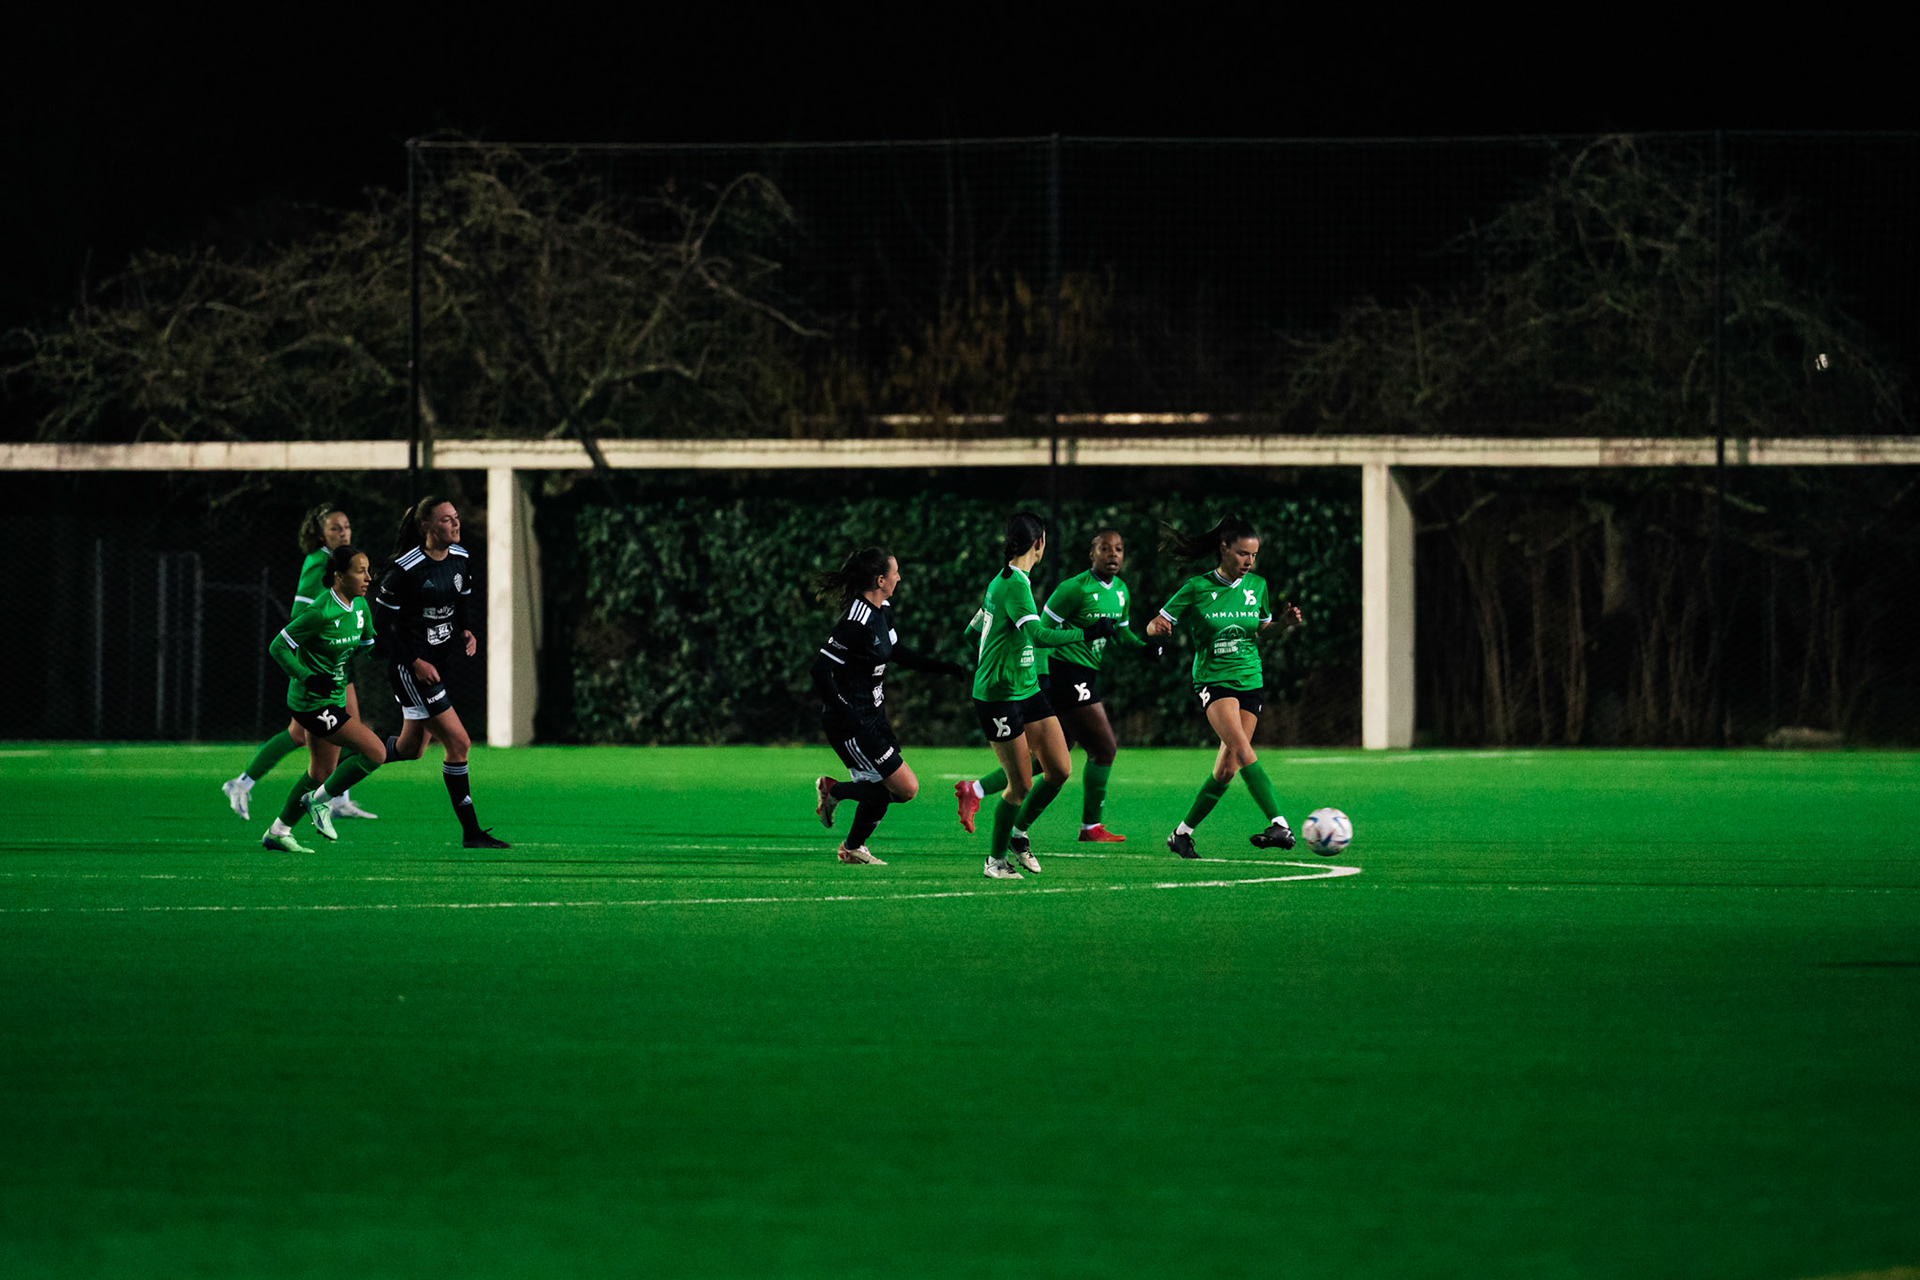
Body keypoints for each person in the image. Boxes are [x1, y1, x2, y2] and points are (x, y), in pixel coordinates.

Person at [954, 528, 1155, 842]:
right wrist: (1042, 677)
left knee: (1053, 761)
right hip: (1062, 674)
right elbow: (1042, 635)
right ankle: (1083, 828)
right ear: (1092, 554)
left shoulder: (1120, 591)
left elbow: (1118, 632)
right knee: (1103, 749)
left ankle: (979, 792)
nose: (1113, 554)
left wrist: (1145, 647)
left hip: (1072, 677)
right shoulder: (1070, 589)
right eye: (1105, 548)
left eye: (1118, 548)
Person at [1146, 515, 1304, 859]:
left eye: (1254, 555)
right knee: (1243, 747)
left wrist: (1284, 624)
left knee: (1227, 768)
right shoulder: (1196, 587)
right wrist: (1158, 628)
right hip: (1213, 680)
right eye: (1242, 554)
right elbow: (1154, 623)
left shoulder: (1257, 586)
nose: (1249, 562)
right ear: (1223, 549)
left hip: (1250, 679)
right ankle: (1279, 823)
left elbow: (1263, 630)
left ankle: (1181, 834)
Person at [970, 512, 1115, 879]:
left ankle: (1019, 835)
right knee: (1019, 784)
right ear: (1041, 543)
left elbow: (973, 632)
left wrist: (1001, 656)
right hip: (1000, 697)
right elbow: (1039, 636)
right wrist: (1087, 631)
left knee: (1060, 768)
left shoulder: (1006, 581)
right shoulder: (1014, 585)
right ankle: (995, 861)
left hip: (1026, 689)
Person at [809, 547, 966, 865]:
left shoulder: (883, 610)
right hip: (849, 722)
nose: (899, 577)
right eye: (895, 572)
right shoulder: (856, 621)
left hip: (873, 716)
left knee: (888, 785)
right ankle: (836, 792)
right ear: (880, 580)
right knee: (904, 788)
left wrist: (944, 668)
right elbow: (820, 670)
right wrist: (847, 711)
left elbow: (895, 651)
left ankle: (852, 847)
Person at [224, 503, 378, 821]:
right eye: (335, 528)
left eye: (346, 526)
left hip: (337, 661)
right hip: (318, 666)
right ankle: (246, 785)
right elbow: (301, 620)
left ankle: (332, 799)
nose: (342, 532)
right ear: (320, 532)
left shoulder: (346, 564)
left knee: (341, 728)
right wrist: (316, 660)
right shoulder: (318, 563)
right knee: (317, 733)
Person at [373, 496, 510, 849]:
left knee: (410, 749)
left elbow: (460, 602)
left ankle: (341, 765)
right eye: (446, 519)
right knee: (459, 742)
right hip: (412, 669)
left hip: (436, 666)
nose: (455, 524)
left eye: (456, 517)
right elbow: (380, 628)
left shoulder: (461, 558)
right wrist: (415, 661)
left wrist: (466, 630)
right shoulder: (404, 570)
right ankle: (471, 832)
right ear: (426, 528)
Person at [259, 544, 388, 852]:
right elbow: (278, 646)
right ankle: (319, 802)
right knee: (375, 752)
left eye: (368, 570)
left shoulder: (360, 607)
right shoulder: (319, 611)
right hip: (312, 702)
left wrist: (401, 651)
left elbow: (369, 648)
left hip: (333, 699)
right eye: (360, 571)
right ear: (338, 576)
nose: (368, 577)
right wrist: (307, 676)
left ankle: (279, 830)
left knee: (320, 772)